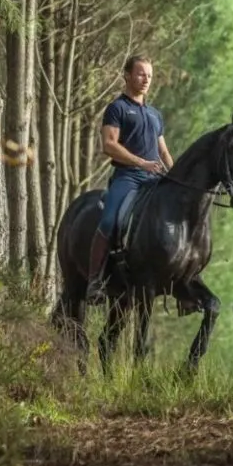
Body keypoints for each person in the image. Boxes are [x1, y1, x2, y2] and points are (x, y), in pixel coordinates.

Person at [90, 55, 174, 296]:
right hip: (127, 177)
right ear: (127, 75)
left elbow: (164, 151)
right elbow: (109, 144)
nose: (146, 79)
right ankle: (95, 280)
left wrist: (175, 175)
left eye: (149, 74)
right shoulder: (117, 109)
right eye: (140, 73)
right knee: (109, 221)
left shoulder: (155, 115)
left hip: (154, 180)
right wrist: (141, 163)